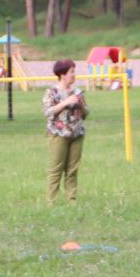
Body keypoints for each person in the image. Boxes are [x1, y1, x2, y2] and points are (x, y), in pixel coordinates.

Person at [42, 58, 87, 202]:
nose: (74, 75)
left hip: (77, 133)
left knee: (72, 169)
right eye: (71, 72)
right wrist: (65, 103)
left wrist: (81, 105)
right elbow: (48, 112)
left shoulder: (78, 93)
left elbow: (85, 114)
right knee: (56, 169)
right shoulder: (52, 92)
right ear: (62, 74)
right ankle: (51, 200)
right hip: (58, 134)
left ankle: (71, 199)